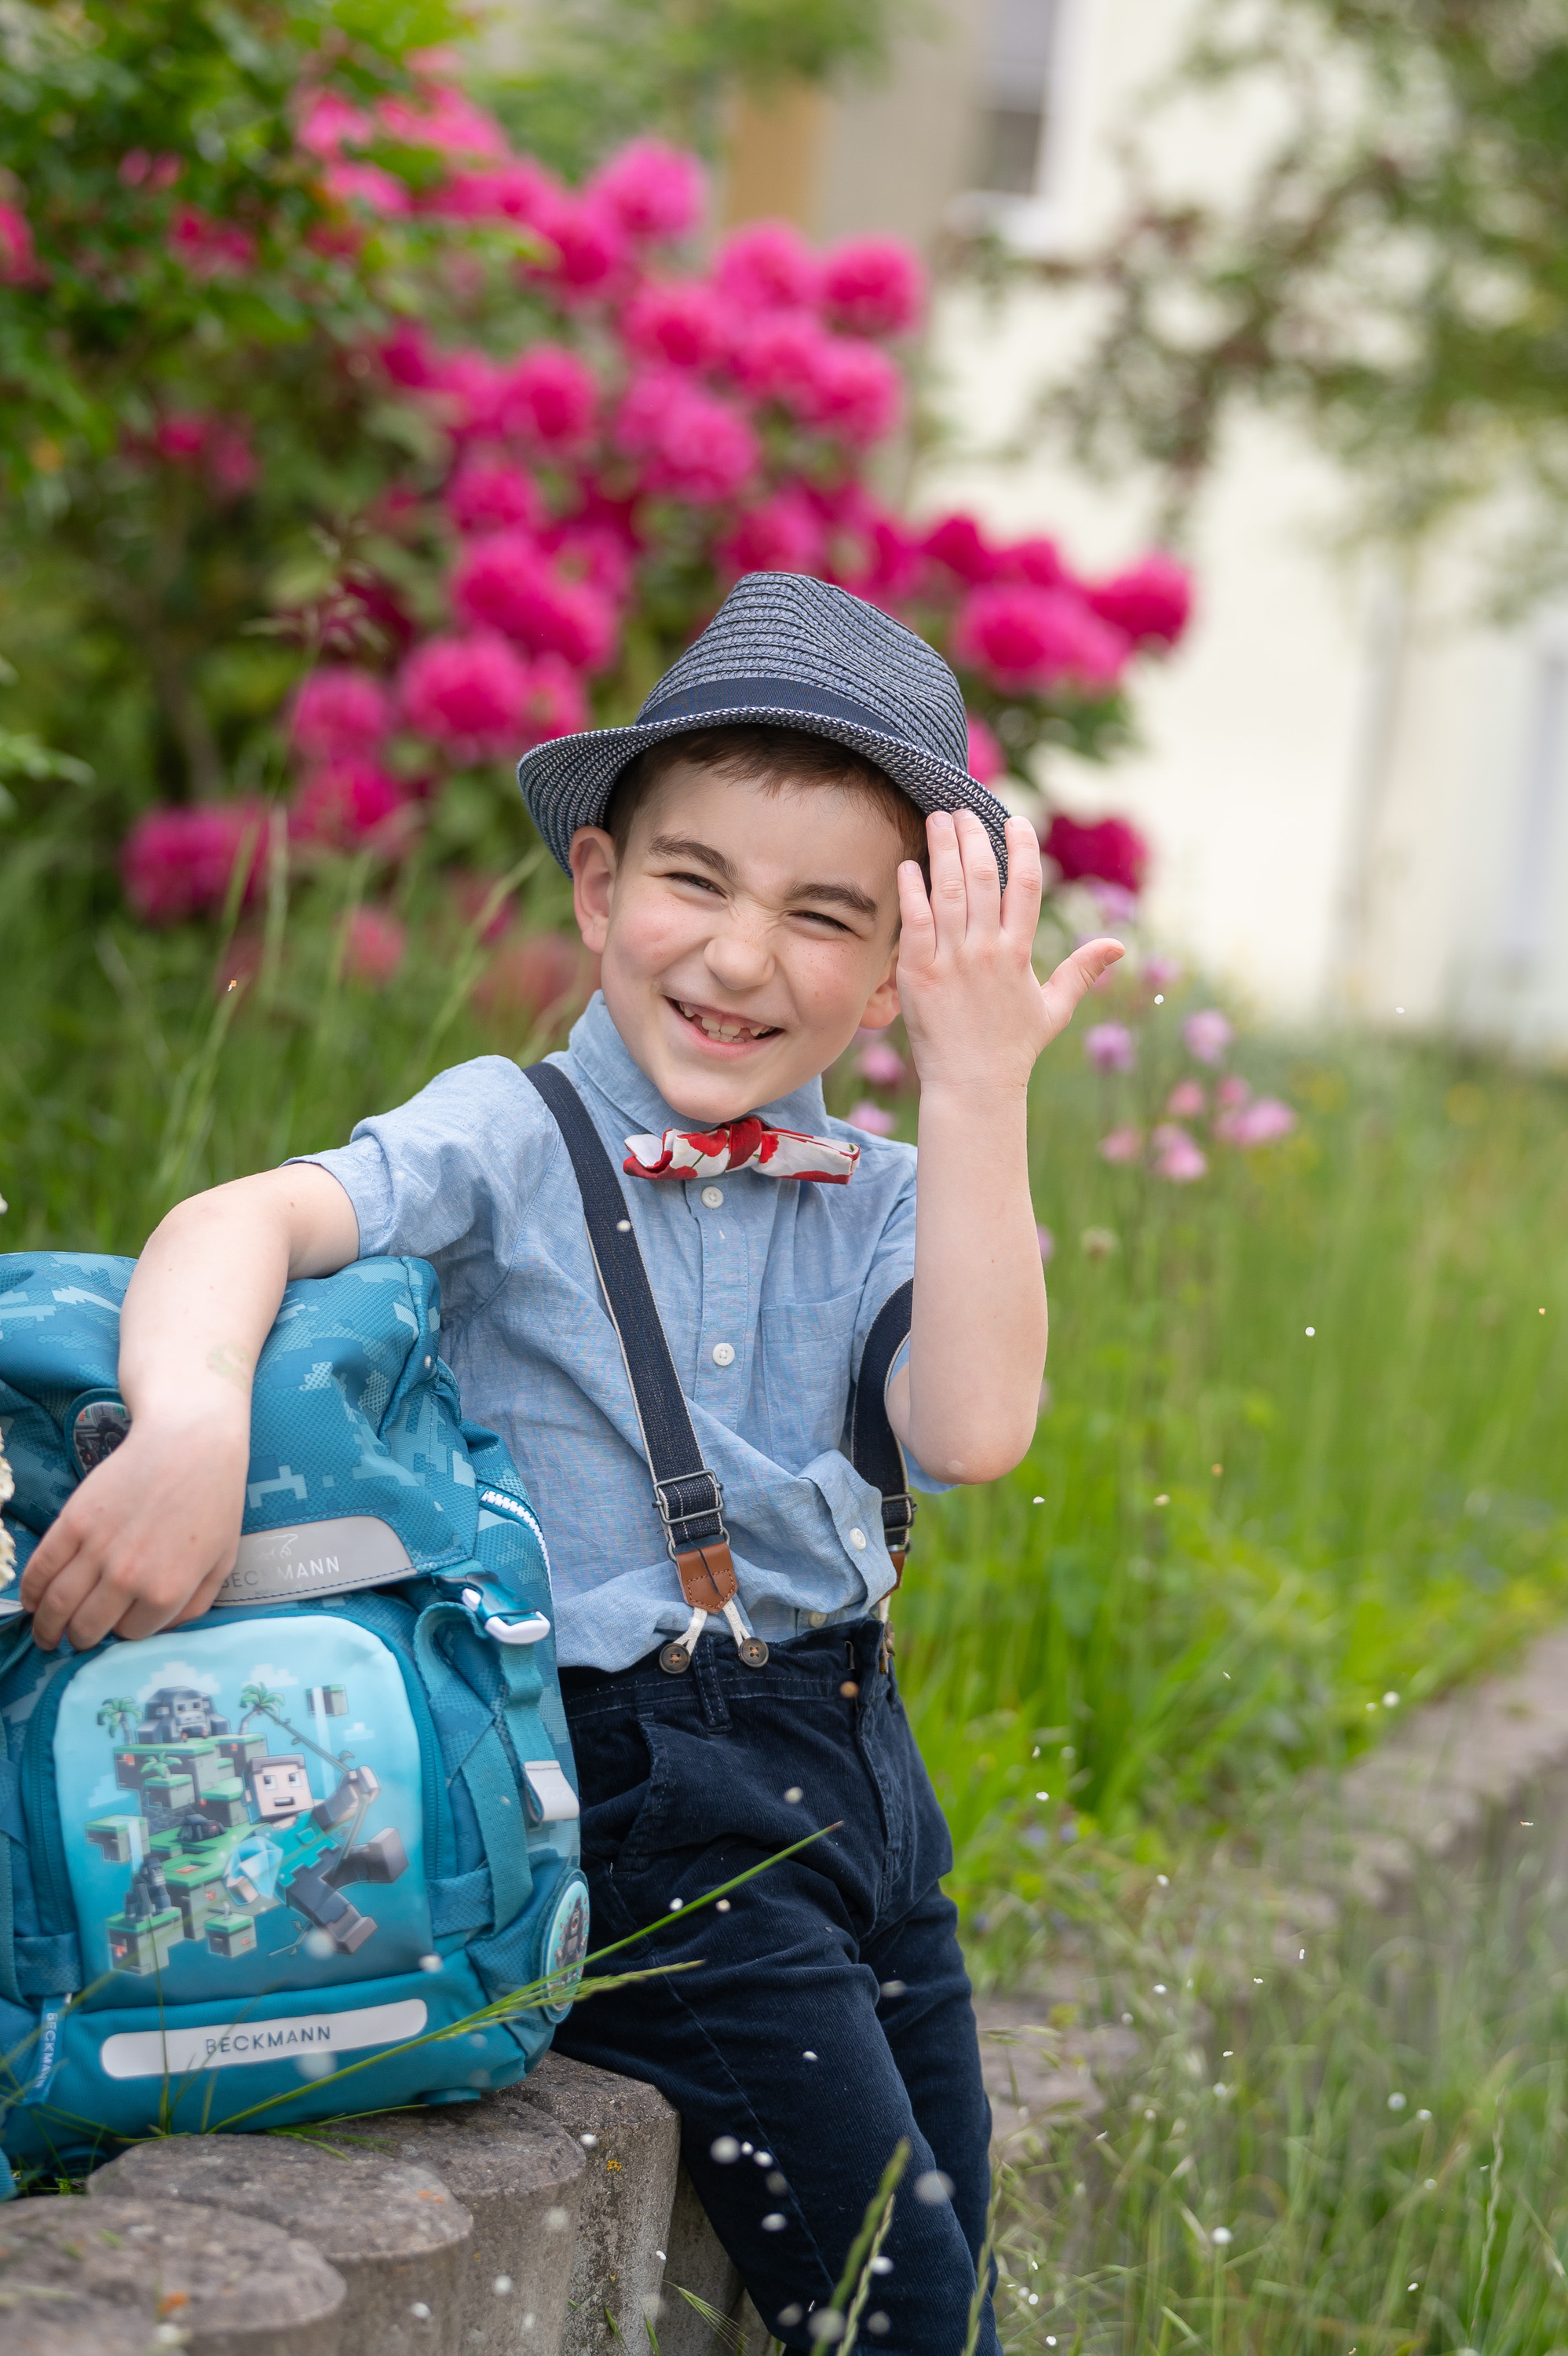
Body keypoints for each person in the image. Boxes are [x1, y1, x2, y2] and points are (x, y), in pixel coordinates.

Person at [21, 573, 1120, 2351]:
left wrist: (982, 1090)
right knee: (904, 2312)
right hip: (642, 1801)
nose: (741, 958)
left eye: (824, 917)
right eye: (696, 880)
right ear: (600, 887)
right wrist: (196, 1416)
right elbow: (241, 1218)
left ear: (896, 972)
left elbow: (975, 1430)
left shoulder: (901, 1199)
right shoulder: (512, 1134)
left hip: (864, 1777)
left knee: (955, 2262)